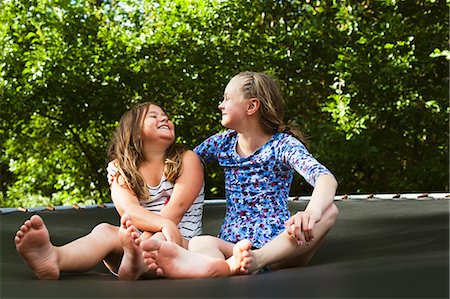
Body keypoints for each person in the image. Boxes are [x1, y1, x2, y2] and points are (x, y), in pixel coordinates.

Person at [119, 71, 338, 279]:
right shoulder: (222, 143)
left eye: (226, 98)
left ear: (251, 106)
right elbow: (177, 165)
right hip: (232, 246)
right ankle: (216, 266)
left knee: (328, 210)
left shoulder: (283, 145)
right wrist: (127, 165)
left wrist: (310, 213)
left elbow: (324, 178)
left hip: (279, 246)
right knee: (200, 243)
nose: (220, 105)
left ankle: (256, 260)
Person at [14, 102, 205, 280]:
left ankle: (137, 262)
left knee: (161, 236)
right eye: (153, 116)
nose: (164, 119)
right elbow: (129, 211)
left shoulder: (187, 159)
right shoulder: (122, 170)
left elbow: (176, 211)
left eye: (165, 116)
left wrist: (143, 244)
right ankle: (54, 257)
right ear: (135, 132)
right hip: (132, 251)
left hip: (181, 247)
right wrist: (137, 246)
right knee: (104, 231)